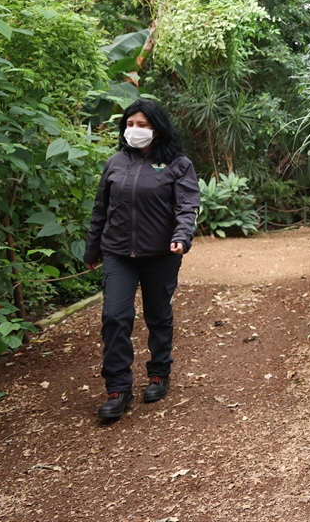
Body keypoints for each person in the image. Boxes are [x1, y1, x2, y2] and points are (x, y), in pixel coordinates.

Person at [84, 100, 200, 422]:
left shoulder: (177, 164)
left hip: (161, 254)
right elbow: (100, 210)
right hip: (118, 253)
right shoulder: (115, 163)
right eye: (130, 123)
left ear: (157, 130)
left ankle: (159, 373)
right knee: (115, 316)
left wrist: (181, 236)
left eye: (142, 125)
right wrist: (92, 250)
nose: (134, 130)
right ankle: (118, 389)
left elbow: (187, 205)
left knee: (158, 315)